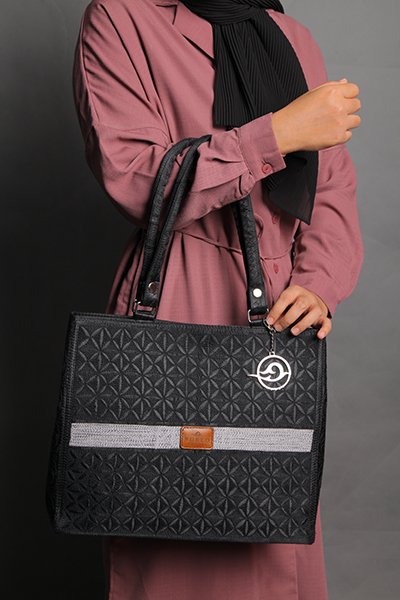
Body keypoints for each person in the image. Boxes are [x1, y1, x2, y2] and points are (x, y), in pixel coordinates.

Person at [73, 1, 363, 598]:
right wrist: (277, 133)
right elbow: (135, 177)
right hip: (179, 293)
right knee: (174, 526)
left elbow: (332, 184)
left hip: (282, 310)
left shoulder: (290, 35)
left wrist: (319, 282)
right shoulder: (122, 17)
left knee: (273, 520)